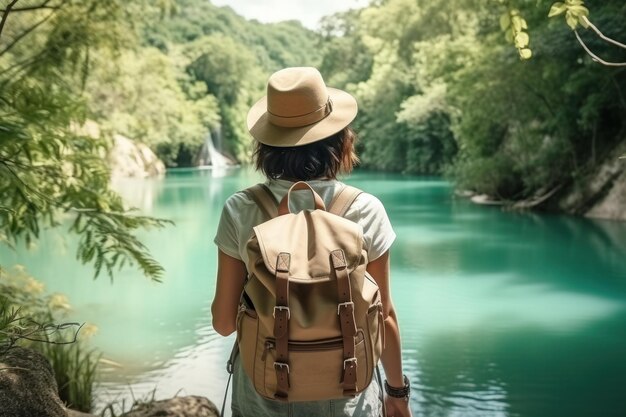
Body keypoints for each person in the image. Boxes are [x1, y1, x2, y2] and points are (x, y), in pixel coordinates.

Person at [212, 67, 412, 417]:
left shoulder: (240, 210)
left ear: (267, 144)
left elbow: (224, 323)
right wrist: (396, 392)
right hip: (348, 402)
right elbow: (385, 316)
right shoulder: (365, 210)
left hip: (262, 399)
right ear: (340, 139)